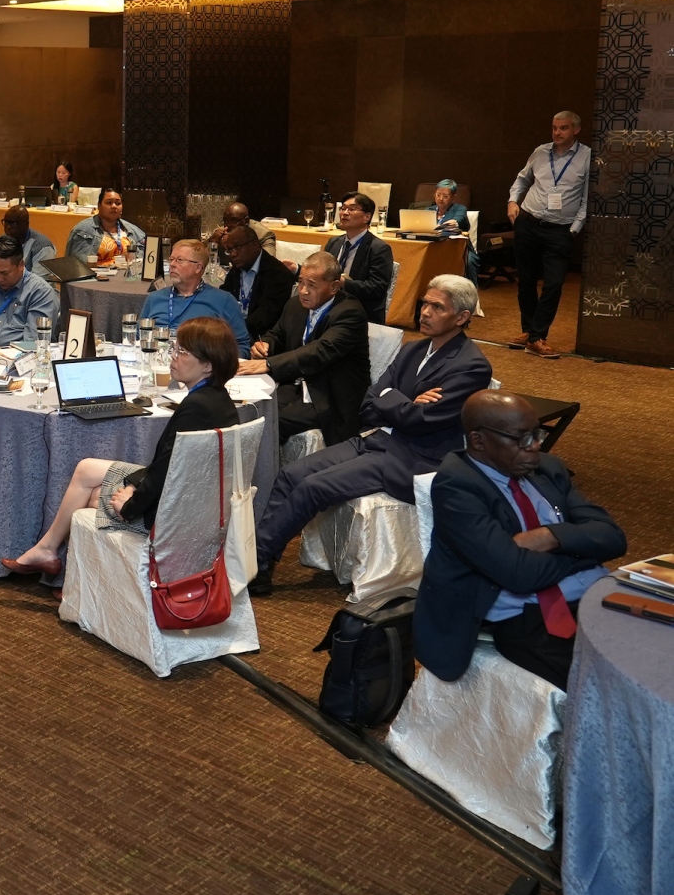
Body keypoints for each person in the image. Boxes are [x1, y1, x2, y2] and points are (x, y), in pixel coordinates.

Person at [251, 274, 492, 596]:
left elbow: (422, 420)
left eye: (438, 307)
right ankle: (261, 564)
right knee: (291, 474)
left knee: (312, 487)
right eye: (425, 303)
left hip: (414, 457)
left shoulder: (472, 366)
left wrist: (392, 399)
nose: (425, 312)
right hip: (376, 438)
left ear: (462, 317)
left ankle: (252, 562)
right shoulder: (413, 349)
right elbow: (368, 403)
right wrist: (403, 402)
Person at [414, 390, 626, 691]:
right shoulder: (457, 487)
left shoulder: (546, 469)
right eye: (522, 438)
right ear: (478, 441)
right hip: (529, 616)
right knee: (610, 685)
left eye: (537, 434)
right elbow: (519, 574)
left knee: (655, 652)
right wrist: (582, 551)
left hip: (593, 595)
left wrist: (549, 537)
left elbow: (613, 537)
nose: (535, 446)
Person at [3, 317, 243, 572]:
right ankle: (51, 553)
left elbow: (167, 470)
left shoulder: (196, 407)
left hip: (174, 512)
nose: (173, 356)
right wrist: (133, 484)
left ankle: (66, 569)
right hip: (194, 498)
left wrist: (130, 505)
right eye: (175, 348)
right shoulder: (219, 398)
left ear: (208, 365)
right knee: (86, 469)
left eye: (182, 352)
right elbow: (169, 465)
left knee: (94, 497)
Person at [238, 250, 369, 444]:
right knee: (255, 410)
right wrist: (265, 344)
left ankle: (268, 464)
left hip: (329, 395)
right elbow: (278, 334)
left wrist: (269, 364)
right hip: (295, 384)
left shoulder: (350, 313)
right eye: (300, 282)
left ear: (334, 287)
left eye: (312, 285)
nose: (303, 291)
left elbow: (319, 351)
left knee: (272, 421)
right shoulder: (295, 305)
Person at [508, 110, 591, 360]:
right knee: (526, 281)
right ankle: (531, 333)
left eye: (563, 128)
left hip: (560, 230)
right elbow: (522, 179)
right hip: (528, 222)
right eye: (554, 128)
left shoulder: (587, 157)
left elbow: (588, 199)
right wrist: (513, 201)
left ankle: (536, 335)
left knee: (553, 284)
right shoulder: (541, 152)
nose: (557, 133)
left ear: (576, 130)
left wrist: (574, 229)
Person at [140, 239, 251, 355]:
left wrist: (215, 363)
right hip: (155, 361)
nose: (172, 264)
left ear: (198, 268)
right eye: (171, 259)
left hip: (202, 364)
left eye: (180, 260)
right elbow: (139, 338)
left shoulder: (224, 301)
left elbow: (242, 346)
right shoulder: (154, 299)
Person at [219, 224, 296, 340]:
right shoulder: (238, 267)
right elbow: (225, 296)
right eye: (229, 250)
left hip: (262, 338)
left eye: (238, 247)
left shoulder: (278, 274)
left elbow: (266, 316)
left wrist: (234, 329)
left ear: (255, 245)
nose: (233, 254)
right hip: (236, 331)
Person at [325, 193, 394, 321]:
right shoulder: (334, 242)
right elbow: (322, 271)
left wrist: (344, 283)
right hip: (330, 306)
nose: (344, 213)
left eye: (352, 209)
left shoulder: (379, 249)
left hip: (360, 312)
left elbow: (377, 288)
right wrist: (296, 268)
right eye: (343, 208)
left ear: (367, 217)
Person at [63, 189, 145, 266]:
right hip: (95, 275)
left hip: (126, 275)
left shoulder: (135, 232)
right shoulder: (82, 230)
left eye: (118, 203)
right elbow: (72, 265)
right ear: (99, 206)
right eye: (109, 203)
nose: (114, 206)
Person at [428, 179, 480, 285]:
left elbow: (456, 221)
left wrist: (438, 226)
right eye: (438, 195)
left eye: (445, 196)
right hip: (435, 247)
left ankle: (471, 291)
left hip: (459, 248)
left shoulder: (459, 209)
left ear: (453, 197)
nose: (441, 199)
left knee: (470, 261)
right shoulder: (429, 210)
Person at [1, 204, 56, 277]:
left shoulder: (42, 247)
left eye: (13, 223)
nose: (8, 227)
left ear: (26, 225)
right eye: (6, 222)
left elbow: (40, 281)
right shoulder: (2, 241)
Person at [206, 201, 276, 258]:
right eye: (225, 221)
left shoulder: (263, 235)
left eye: (234, 221)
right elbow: (201, 256)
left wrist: (235, 245)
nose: (228, 226)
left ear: (246, 221)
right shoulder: (221, 233)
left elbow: (269, 261)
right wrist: (211, 241)